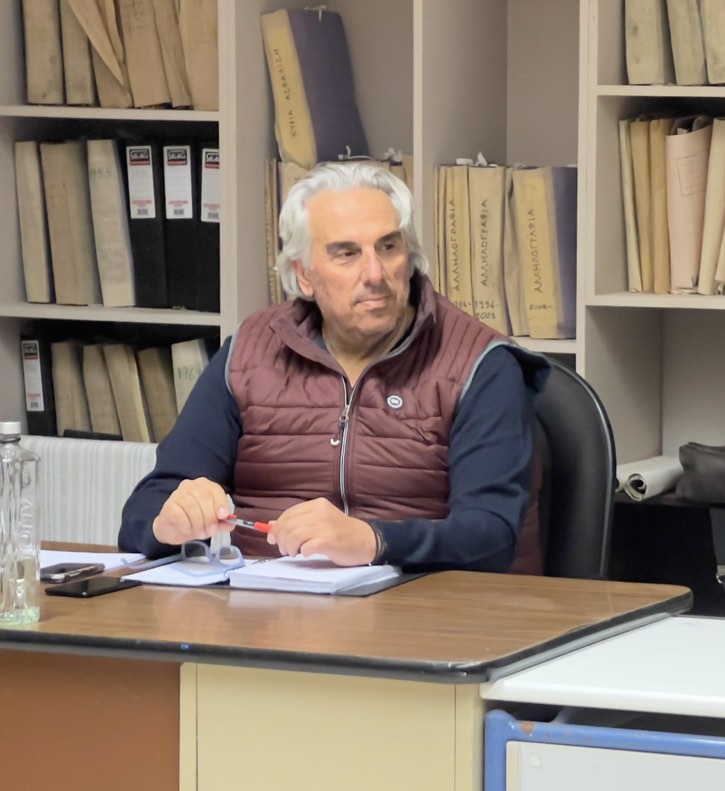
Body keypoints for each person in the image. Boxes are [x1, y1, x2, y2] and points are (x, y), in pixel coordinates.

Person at [119, 162, 548, 573]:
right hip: (262, 603)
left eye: (388, 247)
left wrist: (375, 541)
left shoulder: (479, 364)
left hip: (425, 607)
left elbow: (492, 536)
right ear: (304, 274)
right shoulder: (250, 352)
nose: (375, 273)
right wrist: (168, 523)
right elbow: (143, 510)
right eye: (347, 253)